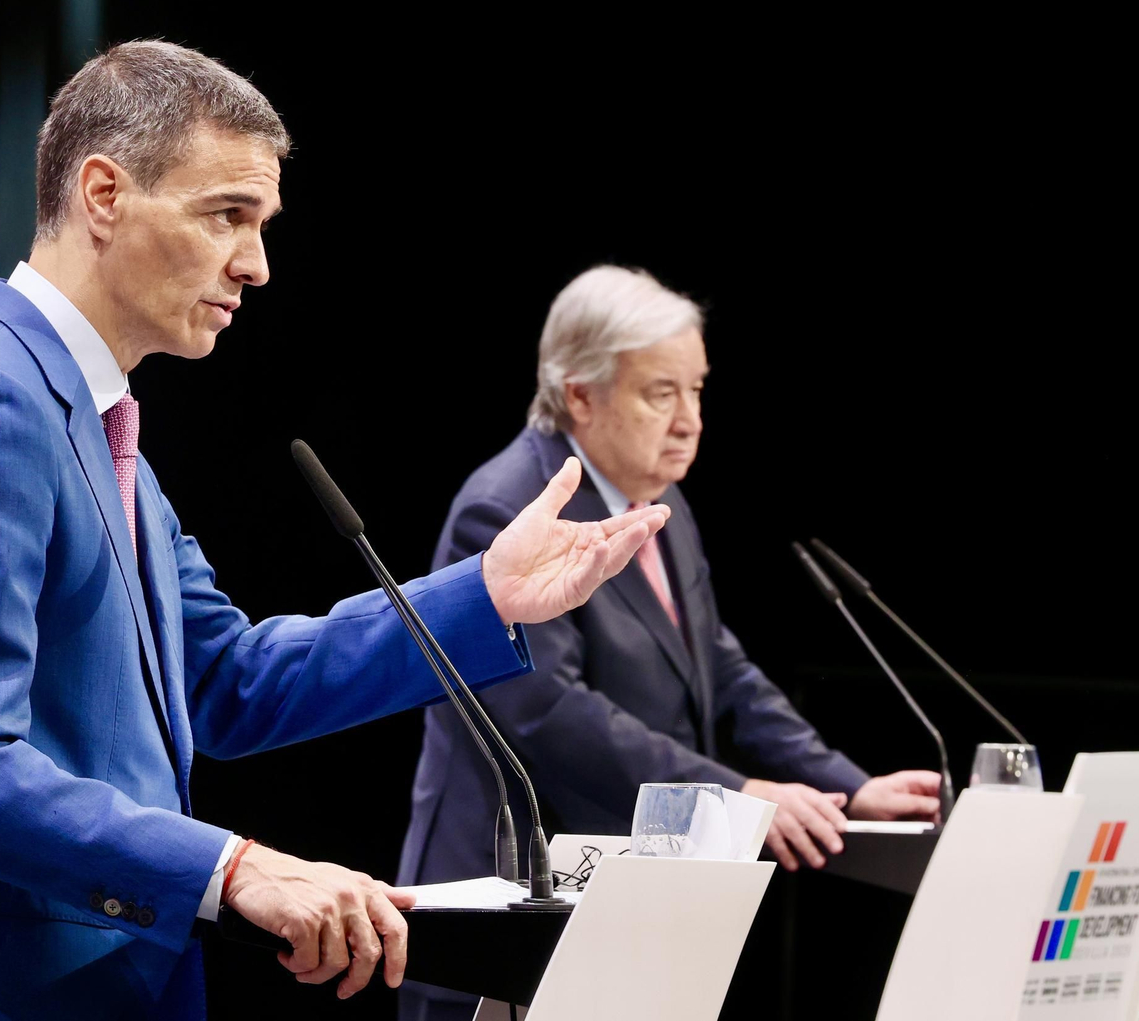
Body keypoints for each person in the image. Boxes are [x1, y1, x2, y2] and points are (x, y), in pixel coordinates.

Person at [0, 44, 669, 1021]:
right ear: (102, 193)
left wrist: (482, 594)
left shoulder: (108, 441)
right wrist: (231, 865)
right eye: (225, 214)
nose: (256, 263)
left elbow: (229, 680)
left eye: (261, 223)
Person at [396, 265, 941, 1020]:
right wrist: (739, 795)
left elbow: (720, 664)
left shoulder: (660, 499)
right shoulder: (506, 509)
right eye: (662, 393)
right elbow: (548, 715)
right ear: (580, 394)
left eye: (697, 390)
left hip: (637, 908)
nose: (691, 421)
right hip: (512, 916)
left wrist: (847, 784)